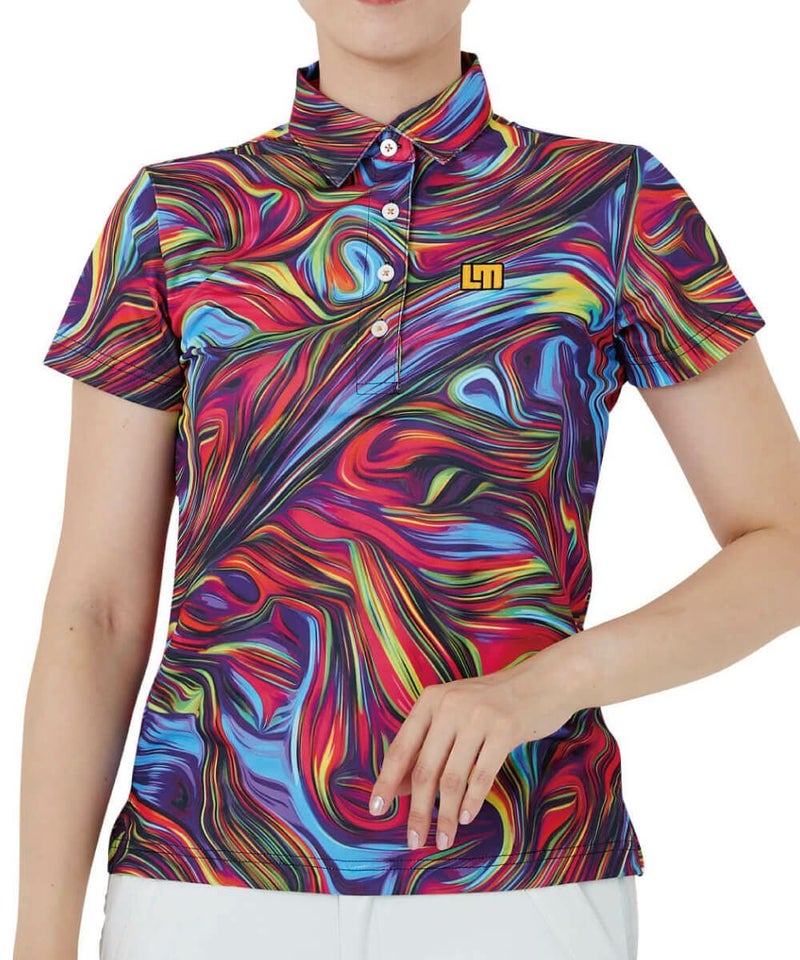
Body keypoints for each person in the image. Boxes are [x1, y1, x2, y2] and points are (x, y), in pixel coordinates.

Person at [15, 0, 800, 958]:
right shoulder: (175, 215)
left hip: (525, 872)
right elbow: (96, 612)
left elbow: (785, 546)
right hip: (205, 871)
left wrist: (547, 685)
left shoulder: (613, 201)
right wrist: (40, 936)